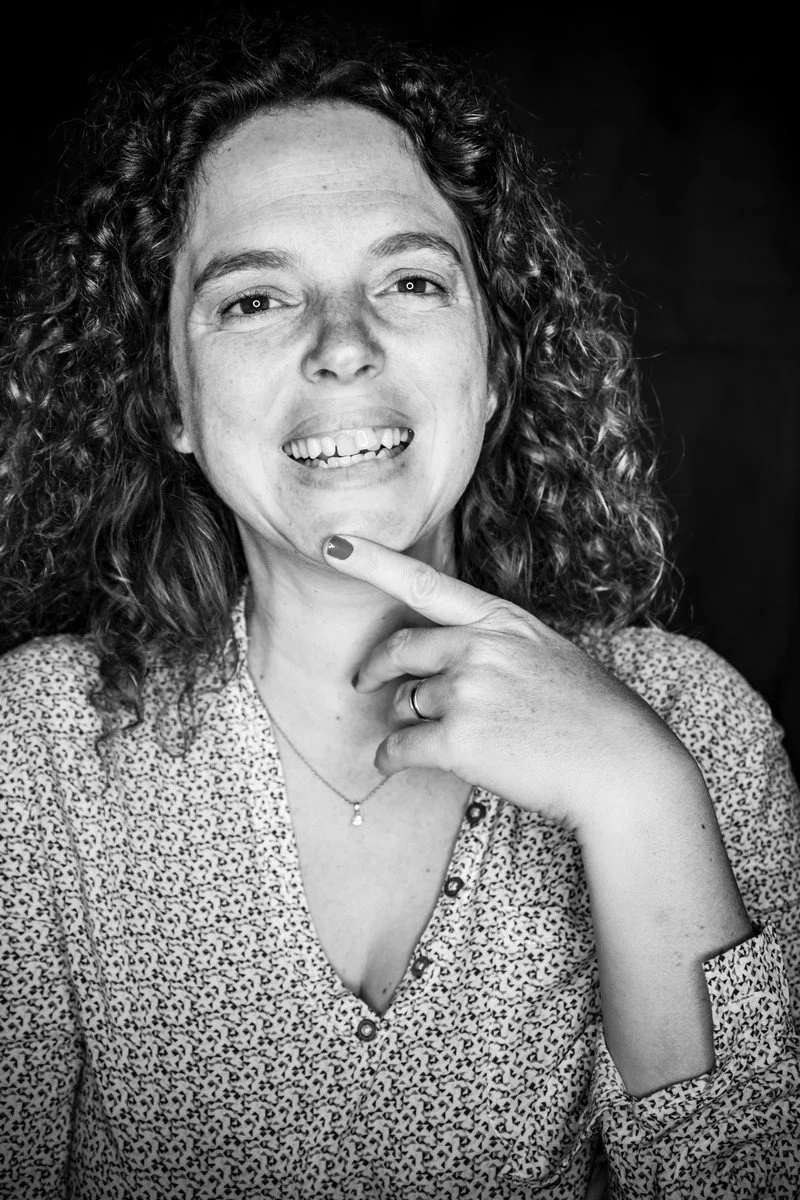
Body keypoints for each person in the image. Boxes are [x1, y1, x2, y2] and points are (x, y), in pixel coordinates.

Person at [1, 16, 798, 1200]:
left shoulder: (696, 728)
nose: (341, 346)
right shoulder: (34, 752)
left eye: (409, 280)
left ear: (490, 371)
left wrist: (636, 796)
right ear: (167, 393)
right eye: (255, 300)